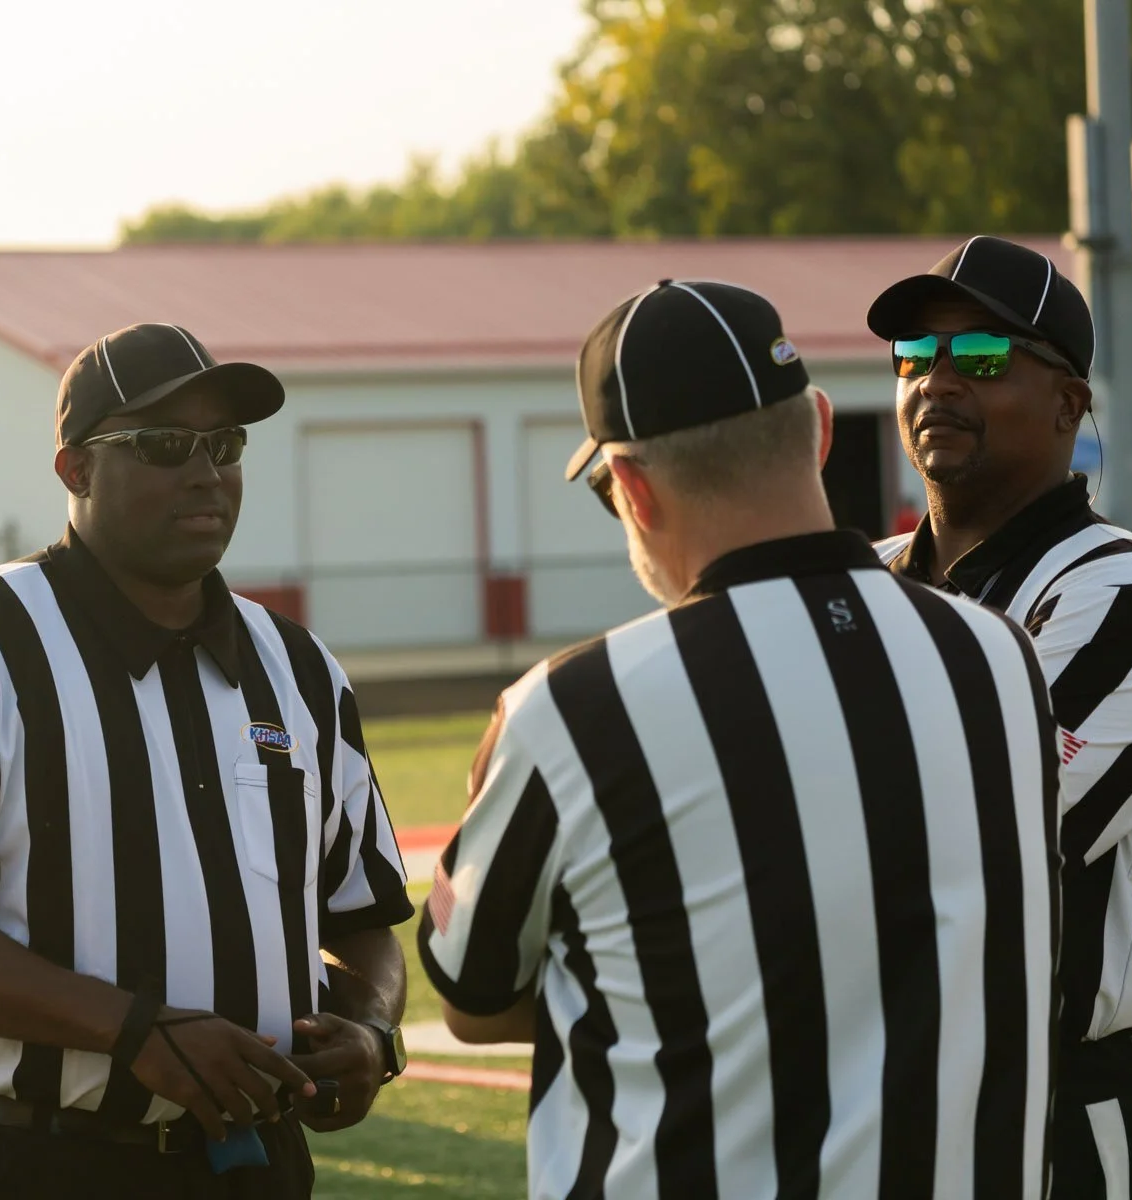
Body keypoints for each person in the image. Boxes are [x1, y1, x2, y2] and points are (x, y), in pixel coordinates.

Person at [421, 280, 1061, 1198]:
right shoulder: (997, 652)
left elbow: (471, 997)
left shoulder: (578, 708)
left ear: (634, 490)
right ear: (823, 430)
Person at [0, 322, 413, 1199]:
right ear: (75, 470)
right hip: (36, 1159)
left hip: (256, 1165)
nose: (204, 471)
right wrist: (133, 1032)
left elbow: (363, 917)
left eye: (224, 445)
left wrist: (373, 1031)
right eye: (161, 445)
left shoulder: (298, 667)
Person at [868, 236, 1132, 1198]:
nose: (938, 381)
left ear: (1071, 403)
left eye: (983, 357)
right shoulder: (857, 582)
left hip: (1065, 1105)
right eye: (916, 355)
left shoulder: (1125, 593)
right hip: (878, 1091)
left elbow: (991, 838)